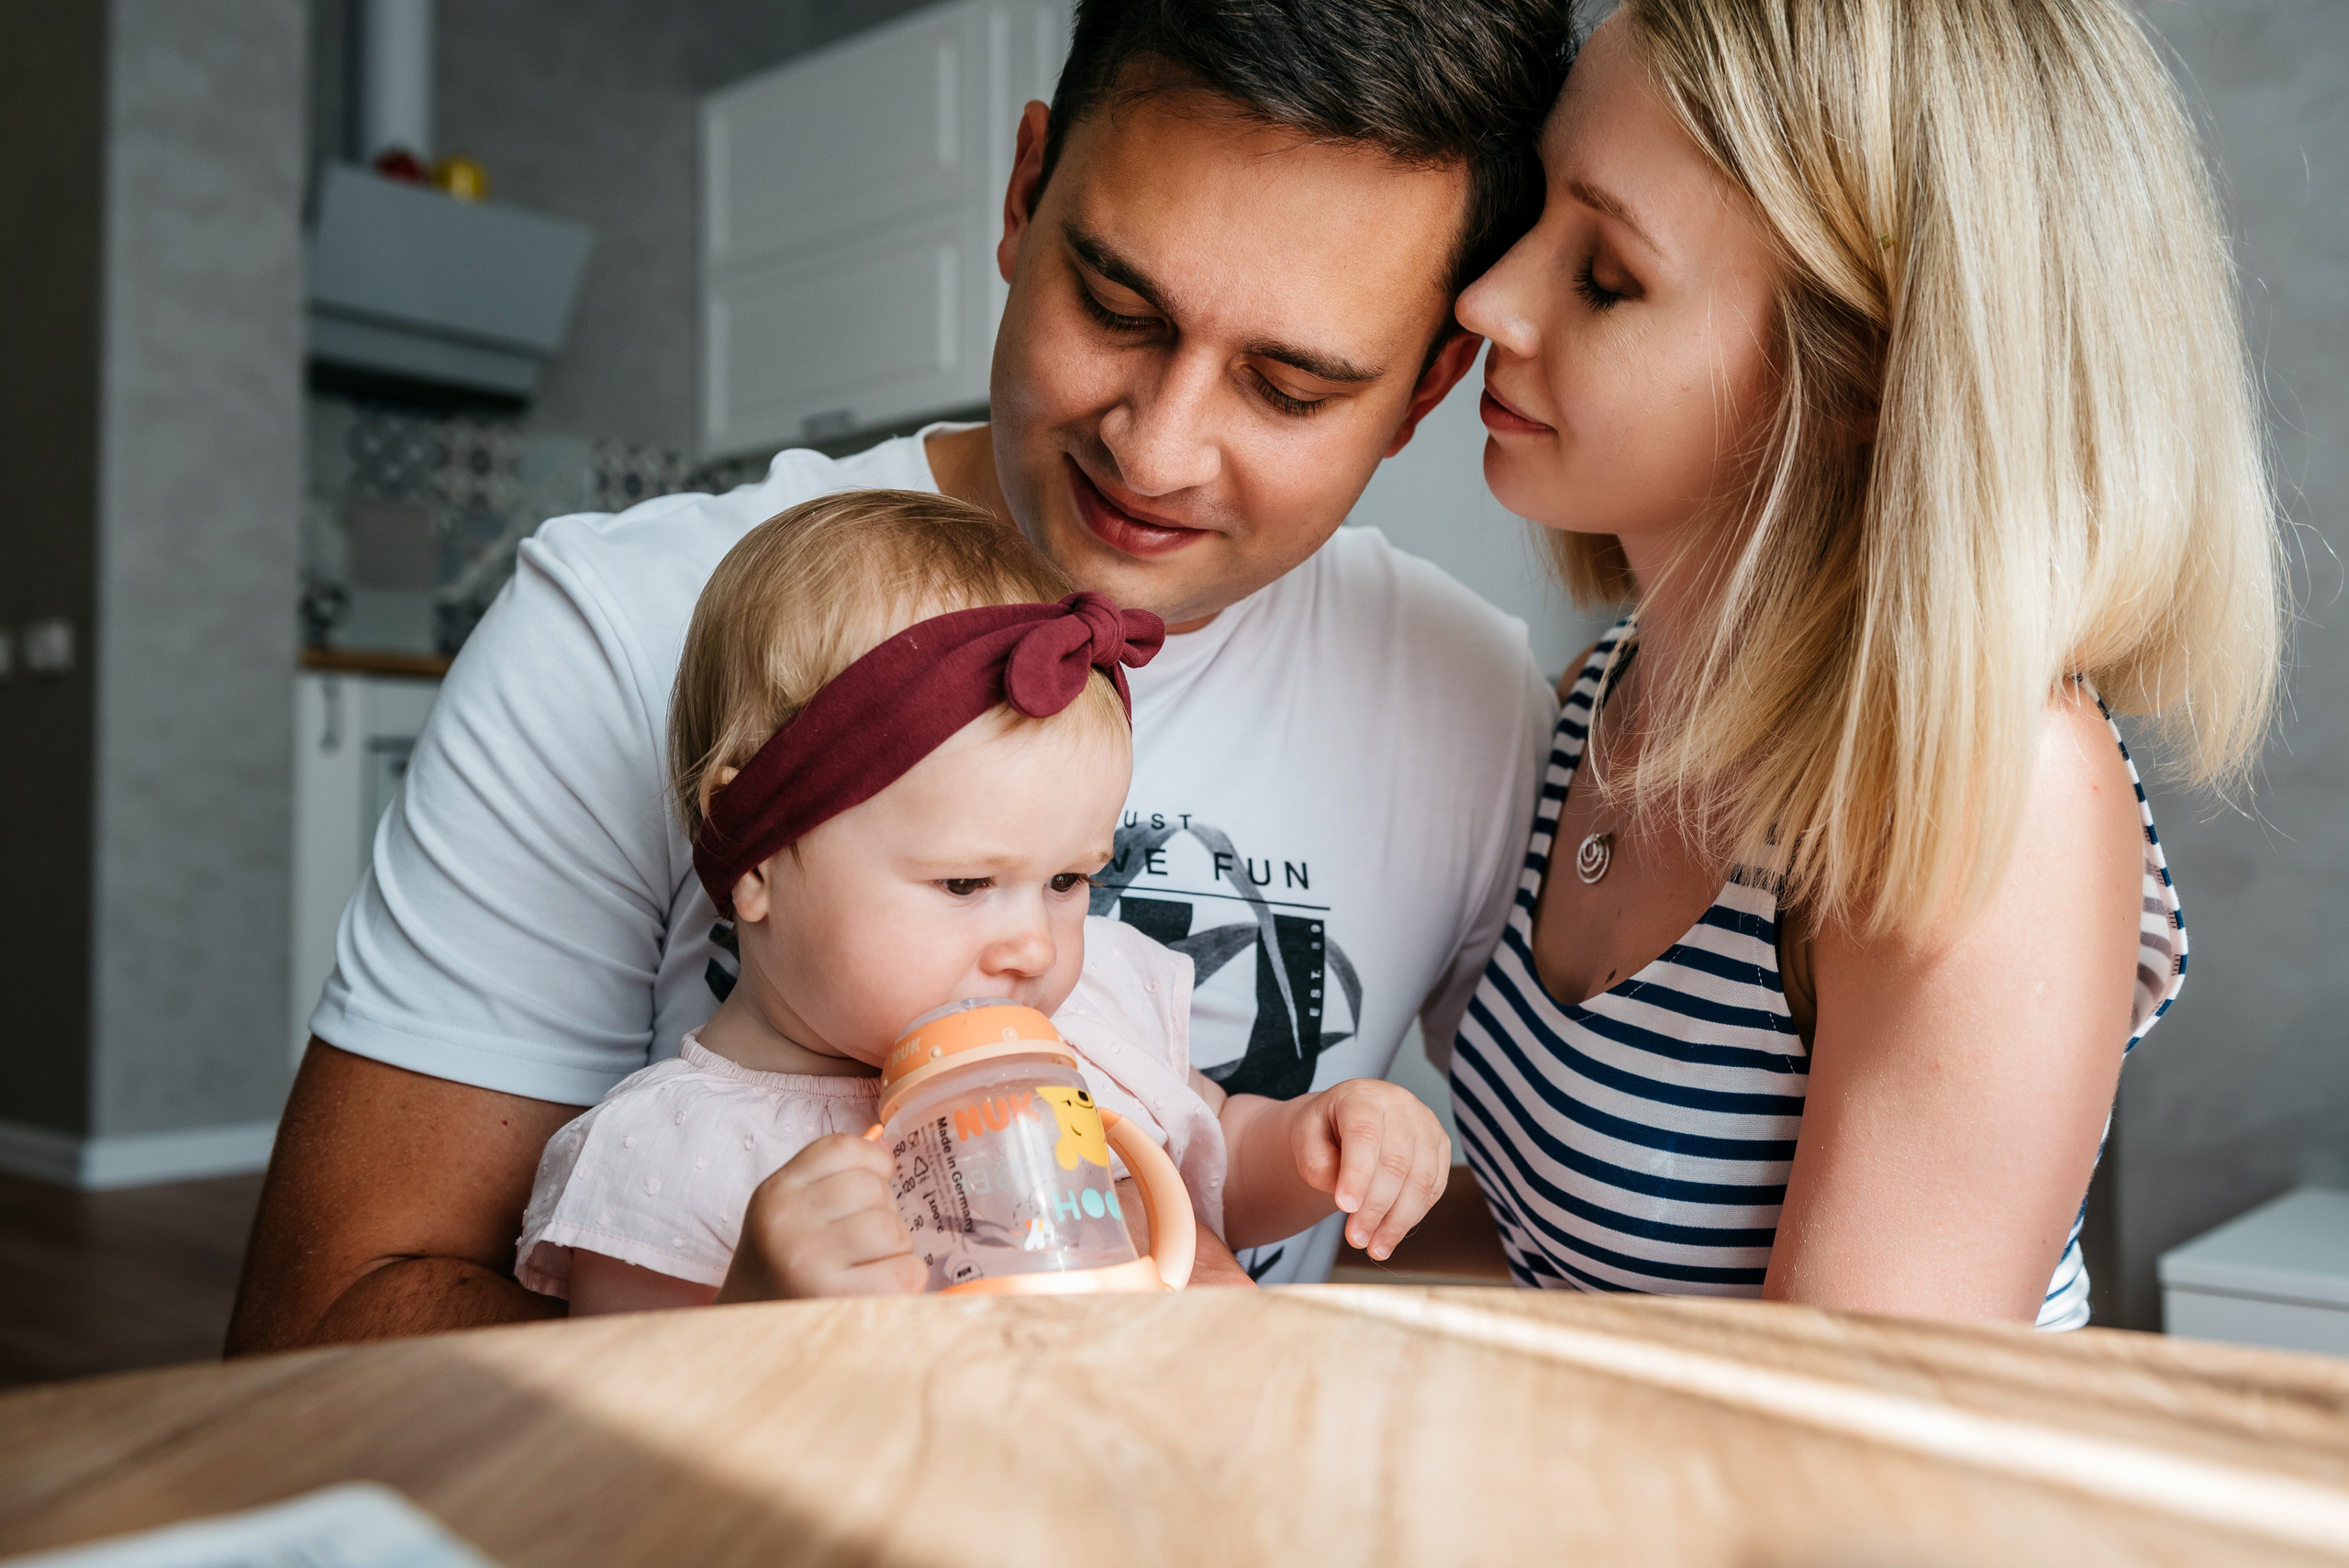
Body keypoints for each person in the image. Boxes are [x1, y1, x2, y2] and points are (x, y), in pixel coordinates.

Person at [228, 0, 1573, 1351]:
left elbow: (1530, 1226)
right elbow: (314, 1330)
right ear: (1022, 190)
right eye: (1115, 305)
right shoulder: (626, 624)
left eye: (1288, 388)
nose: (1157, 451)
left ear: (1428, 387)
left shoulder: (1471, 699)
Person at [1445, 0, 2282, 1325]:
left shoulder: (1999, 798)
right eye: (1533, 209)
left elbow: (1843, 1456)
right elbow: (1547, 1269)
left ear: (1858, 383)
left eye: (1606, 274)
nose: (1487, 297)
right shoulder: (1596, 705)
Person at [518, 491, 1453, 1311]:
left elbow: (1217, 1168)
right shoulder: (675, 1150)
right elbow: (630, 1422)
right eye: (965, 883)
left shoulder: (1093, 1017)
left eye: (1066, 880)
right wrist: (759, 1295)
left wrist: (1315, 1145)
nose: (1030, 946)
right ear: (758, 847)